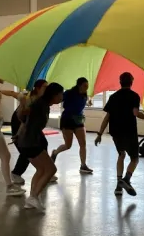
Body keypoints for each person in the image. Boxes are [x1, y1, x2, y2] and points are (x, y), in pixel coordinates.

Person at [94, 72, 144, 197]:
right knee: (135, 158)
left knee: (121, 154)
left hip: (115, 131)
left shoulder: (113, 97)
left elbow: (107, 117)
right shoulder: (134, 96)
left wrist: (100, 133)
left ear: (120, 81)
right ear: (131, 82)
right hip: (129, 131)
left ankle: (118, 185)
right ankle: (126, 179)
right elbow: (136, 113)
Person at [16, 82, 65, 210]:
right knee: (51, 170)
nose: (62, 97)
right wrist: (22, 103)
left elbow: (27, 118)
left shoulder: (42, 104)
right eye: (60, 94)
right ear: (54, 95)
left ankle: (32, 199)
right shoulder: (41, 105)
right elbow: (25, 116)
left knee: (41, 169)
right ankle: (33, 197)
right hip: (30, 142)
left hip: (27, 141)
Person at [51, 77, 93, 175]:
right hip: (67, 120)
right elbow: (58, 99)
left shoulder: (84, 95)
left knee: (83, 143)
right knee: (68, 145)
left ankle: (83, 165)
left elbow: (81, 103)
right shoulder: (69, 93)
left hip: (78, 120)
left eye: (87, 86)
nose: (86, 88)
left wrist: (88, 102)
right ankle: (55, 153)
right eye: (85, 86)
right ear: (79, 85)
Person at [10, 79, 47, 185]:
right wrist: (18, 134)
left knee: (43, 143)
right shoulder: (32, 99)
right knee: (27, 149)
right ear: (38, 88)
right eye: (45, 87)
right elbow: (23, 119)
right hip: (20, 122)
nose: (47, 89)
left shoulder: (41, 99)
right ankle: (16, 173)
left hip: (30, 125)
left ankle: (46, 169)